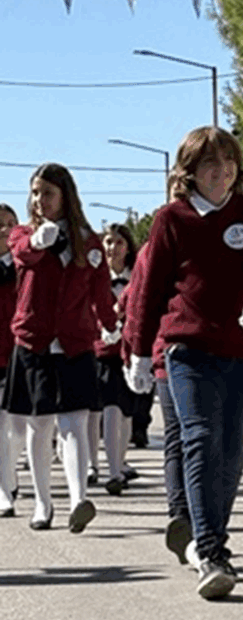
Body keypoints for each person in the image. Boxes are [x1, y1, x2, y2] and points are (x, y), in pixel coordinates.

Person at [125, 127, 243, 600]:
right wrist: (137, 350)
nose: (223, 173)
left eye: (230, 163)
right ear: (190, 173)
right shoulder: (170, 219)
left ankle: (210, 534)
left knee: (233, 449)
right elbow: (151, 289)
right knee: (199, 438)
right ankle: (211, 551)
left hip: (241, 348)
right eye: (212, 165)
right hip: (186, 348)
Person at [2, 164, 120, 533]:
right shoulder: (23, 234)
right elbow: (23, 253)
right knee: (39, 426)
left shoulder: (88, 240)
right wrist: (39, 240)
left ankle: (78, 498)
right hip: (34, 342)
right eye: (36, 192)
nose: (40, 200)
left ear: (65, 196)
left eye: (47, 192)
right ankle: (42, 502)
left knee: (75, 423)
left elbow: (100, 291)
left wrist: (111, 325)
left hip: (74, 343)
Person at [93, 224, 138, 496]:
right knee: (109, 409)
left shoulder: (138, 278)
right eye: (108, 242)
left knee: (126, 414)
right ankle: (110, 471)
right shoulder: (95, 277)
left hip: (132, 352)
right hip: (103, 351)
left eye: (119, 242)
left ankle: (119, 463)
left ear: (128, 247)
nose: (112, 247)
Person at [0, 204, 26, 516]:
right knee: (1, 425)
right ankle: (4, 490)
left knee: (19, 429)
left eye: (11, 223)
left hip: (21, 352)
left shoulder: (27, 264)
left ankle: (11, 471)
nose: (6, 230)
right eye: (0, 225)